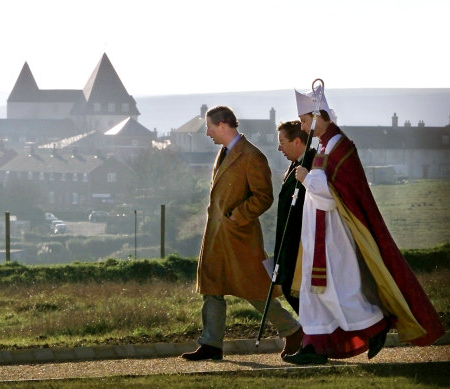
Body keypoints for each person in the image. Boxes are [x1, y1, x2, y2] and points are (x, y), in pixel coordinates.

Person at [283, 85, 445, 365]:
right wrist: (308, 179)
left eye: (305, 120)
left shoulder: (339, 145)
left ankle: (375, 325)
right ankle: (313, 346)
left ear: (319, 115)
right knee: (314, 290)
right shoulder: (323, 144)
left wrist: (306, 177)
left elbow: (335, 192)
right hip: (316, 230)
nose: (303, 126)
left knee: (338, 290)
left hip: (333, 231)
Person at [181, 105, 303, 361]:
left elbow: (264, 197)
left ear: (223, 125)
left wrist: (238, 215)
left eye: (210, 127)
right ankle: (211, 344)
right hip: (216, 235)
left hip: (240, 237)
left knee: (255, 290)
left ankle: (293, 330)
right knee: (212, 287)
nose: (207, 133)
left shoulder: (252, 156)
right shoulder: (224, 153)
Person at [274, 121, 316, 314]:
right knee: (287, 287)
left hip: (302, 242)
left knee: (295, 290)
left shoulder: (312, 164)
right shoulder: (293, 165)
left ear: (297, 141)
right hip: (288, 240)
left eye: (282, 142)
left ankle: (314, 338)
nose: (279, 147)